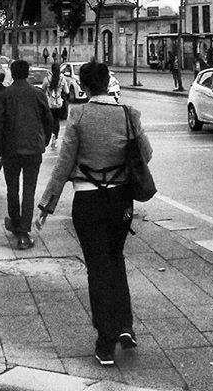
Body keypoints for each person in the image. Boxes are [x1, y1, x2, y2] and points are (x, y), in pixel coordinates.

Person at [37, 60, 152, 366]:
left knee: (97, 267)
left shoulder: (79, 115)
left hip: (87, 201)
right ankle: (125, 327)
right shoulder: (129, 114)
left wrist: (47, 204)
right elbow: (147, 154)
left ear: (85, 86)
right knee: (116, 260)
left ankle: (105, 340)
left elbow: (63, 163)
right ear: (108, 83)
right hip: (121, 201)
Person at [0, 59, 53, 250]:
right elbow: (48, 119)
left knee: (12, 189)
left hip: (11, 149)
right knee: (29, 190)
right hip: (33, 149)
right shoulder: (38, 93)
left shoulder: (5, 94)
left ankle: (15, 222)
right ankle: (24, 231)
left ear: (12, 72)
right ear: (28, 73)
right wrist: (44, 141)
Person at [41, 62, 69, 149]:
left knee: (49, 121)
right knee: (56, 121)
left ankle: (49, 136)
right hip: (59, 104)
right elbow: (67, 91)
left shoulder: (47, 79)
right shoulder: (62, 79)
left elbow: (42, 89)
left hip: (49, 103)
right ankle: (55, 137)